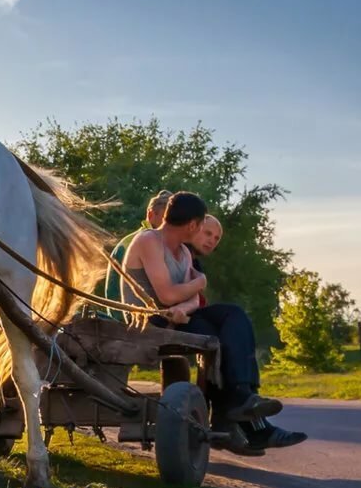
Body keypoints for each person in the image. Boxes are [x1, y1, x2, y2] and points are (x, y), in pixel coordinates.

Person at [120, 192, 305, 451]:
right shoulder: (149, 240)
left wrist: (185, 305)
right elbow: (167, 295)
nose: (204, 234)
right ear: (193, 224)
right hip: (149, 321)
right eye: (202, 227)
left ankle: (243, 396)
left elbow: (193, 300)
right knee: (214, 337)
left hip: (177, 317)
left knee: (233, 316)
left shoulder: (184, 253)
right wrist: (200, 282)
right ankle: (241, 424)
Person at [182, 213, 306, 450]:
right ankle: (243, 416)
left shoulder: (191, 259)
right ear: (192, 227)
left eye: (216, 238)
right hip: (173, 316)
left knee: (229, 334)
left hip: (189, 314)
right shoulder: (177, 252)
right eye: (207, 233)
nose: (212, 241)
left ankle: (243, 412)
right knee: (232, 319)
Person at [103, 190, 172, 319]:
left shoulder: (166, 246)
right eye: (166, 219)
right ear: (150, 215)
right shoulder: (133, 244)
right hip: (127, 320)